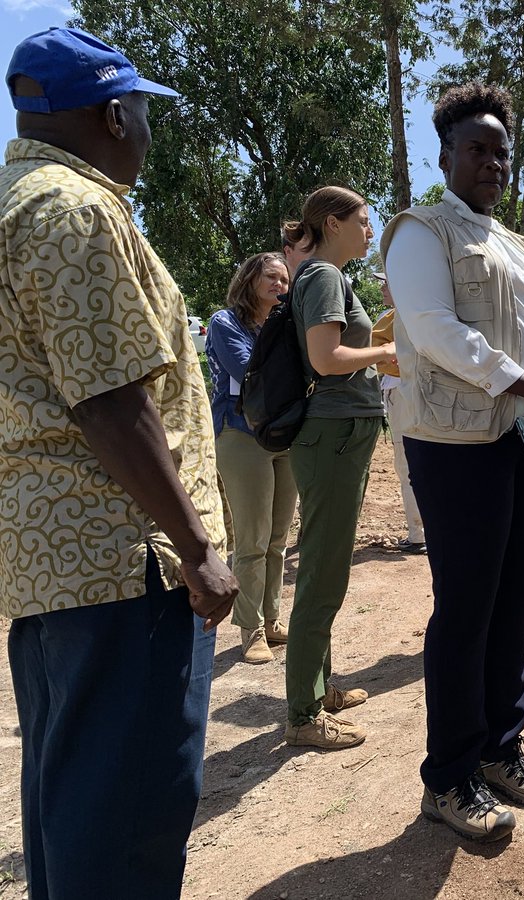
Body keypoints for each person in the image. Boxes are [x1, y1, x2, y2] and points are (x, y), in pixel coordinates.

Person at [1, 27, 238, 898]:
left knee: (74, 799)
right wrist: (198, 548)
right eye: (144, 111)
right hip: (122, 564)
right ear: (112, 112)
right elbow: (109, 400)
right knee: (132, 815)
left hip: (52, 569)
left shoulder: (13, 199)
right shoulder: (75, 210)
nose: (147, 129)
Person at [381, 82, 524, 842]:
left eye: (501, 150)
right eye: (477, 148)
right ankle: (450, 775)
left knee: (513, 599)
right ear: (446, 156)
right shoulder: (420, 233)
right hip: (456, 443)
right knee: (465, 608)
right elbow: (432, 330)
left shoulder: (522, 247)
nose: (492, 161)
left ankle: (501, 749)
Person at [281, 186, 395, 750]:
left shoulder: (326, 276)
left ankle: (319, 690)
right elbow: (326, 360)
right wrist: (381, 354)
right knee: (324, 571)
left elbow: (334, 349)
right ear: (333, 223)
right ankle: (302, 714)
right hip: (332, 435)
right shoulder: (323, 275)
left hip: (337, 435)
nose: (370, 231)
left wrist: (373, 339)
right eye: (364, 221)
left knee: (326, 563)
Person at [206, 252, 300, 663]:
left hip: (283, 434)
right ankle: (250, 629)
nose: (281, 285)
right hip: (240, 434)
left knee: (278, 537)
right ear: (249, 281)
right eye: (272, 278)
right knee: (253, 539)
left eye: (285, 279)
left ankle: (273, 618)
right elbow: (251, 373)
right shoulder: (225, 323)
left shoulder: (284, 323)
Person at [370, 271, 426, 553]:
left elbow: (381, 354)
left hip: (403, 393)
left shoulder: (397, 317)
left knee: (408, 465)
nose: (382, 288)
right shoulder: (421, 312)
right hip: (411, 393)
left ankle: (419, 534)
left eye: (387, 283)